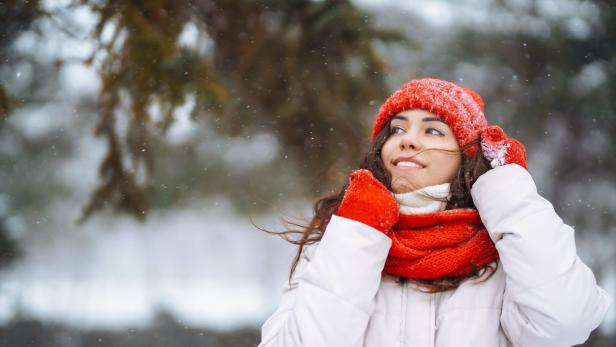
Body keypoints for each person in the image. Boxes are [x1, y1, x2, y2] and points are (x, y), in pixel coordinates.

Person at [257, 78, 612, 347]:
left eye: (433, 130)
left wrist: (508, 187)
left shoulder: (506, 252)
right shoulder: (339, 238)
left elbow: (565, 323)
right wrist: (359, 229)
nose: (407, 139)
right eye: (397, 129)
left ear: (466, 155)